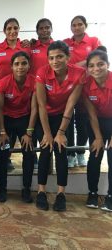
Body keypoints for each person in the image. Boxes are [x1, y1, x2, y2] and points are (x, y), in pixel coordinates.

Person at [35, 41, 86, 211]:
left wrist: (61, 132)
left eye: (59, 57)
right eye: (51, 58)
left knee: (61, 151)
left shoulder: (79, 73)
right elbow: (41, 105)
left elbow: (71, 104)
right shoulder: (42, 72)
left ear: (68, 57)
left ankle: (60, 194)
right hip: (45, 117)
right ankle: (41, 192)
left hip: (64, 116)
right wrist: (48, 133)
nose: (55, 61)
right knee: (45, 150)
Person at [0, 51, 37, 203]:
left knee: (29, 153)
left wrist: (29, 133)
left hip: (24, 119)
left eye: (24, 63)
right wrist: (2, 131)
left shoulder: (34, 82)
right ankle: (2, 189)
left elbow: (35, 109)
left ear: (29, 66)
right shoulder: (3, 82)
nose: (20, 67)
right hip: (6, 120)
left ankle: (26, 190)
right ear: (11, 67)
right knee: (3, 153)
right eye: (17, 64)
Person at [64, 16, 102, 168]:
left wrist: (78, 65)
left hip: (87, 86)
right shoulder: (67, 42)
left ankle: (80, 153)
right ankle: (70, 154)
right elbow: (62, 61)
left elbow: (98, 59)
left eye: (80, 24)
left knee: (83, 122)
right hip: (68, 87)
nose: (77, 27)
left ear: (85, 26)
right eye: (74, 25)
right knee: (67, 121)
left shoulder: (93, 41)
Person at [83, 48, 112, 211]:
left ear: (107, 64)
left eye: (100, 64)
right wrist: (98, 137)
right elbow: (92, 114)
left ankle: (110, 196)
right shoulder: (86, 86)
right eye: (92, 66)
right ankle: (92, 192)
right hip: (96, 122)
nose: (96, 68)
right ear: (87, 69)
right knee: (95, 155)